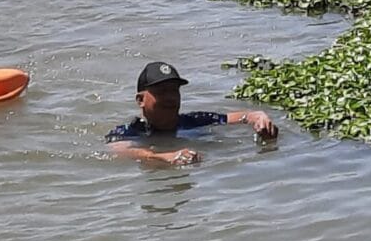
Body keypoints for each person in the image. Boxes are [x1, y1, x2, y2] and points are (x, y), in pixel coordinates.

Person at [106, 61, 279, 165]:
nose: (170, 98)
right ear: (140, 100)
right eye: (161, 91)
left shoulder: (193, 121)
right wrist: (163, 157)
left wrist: (259, 117)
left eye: (174, 91)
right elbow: (119, 150)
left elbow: (243, 117)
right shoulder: (129, 132)